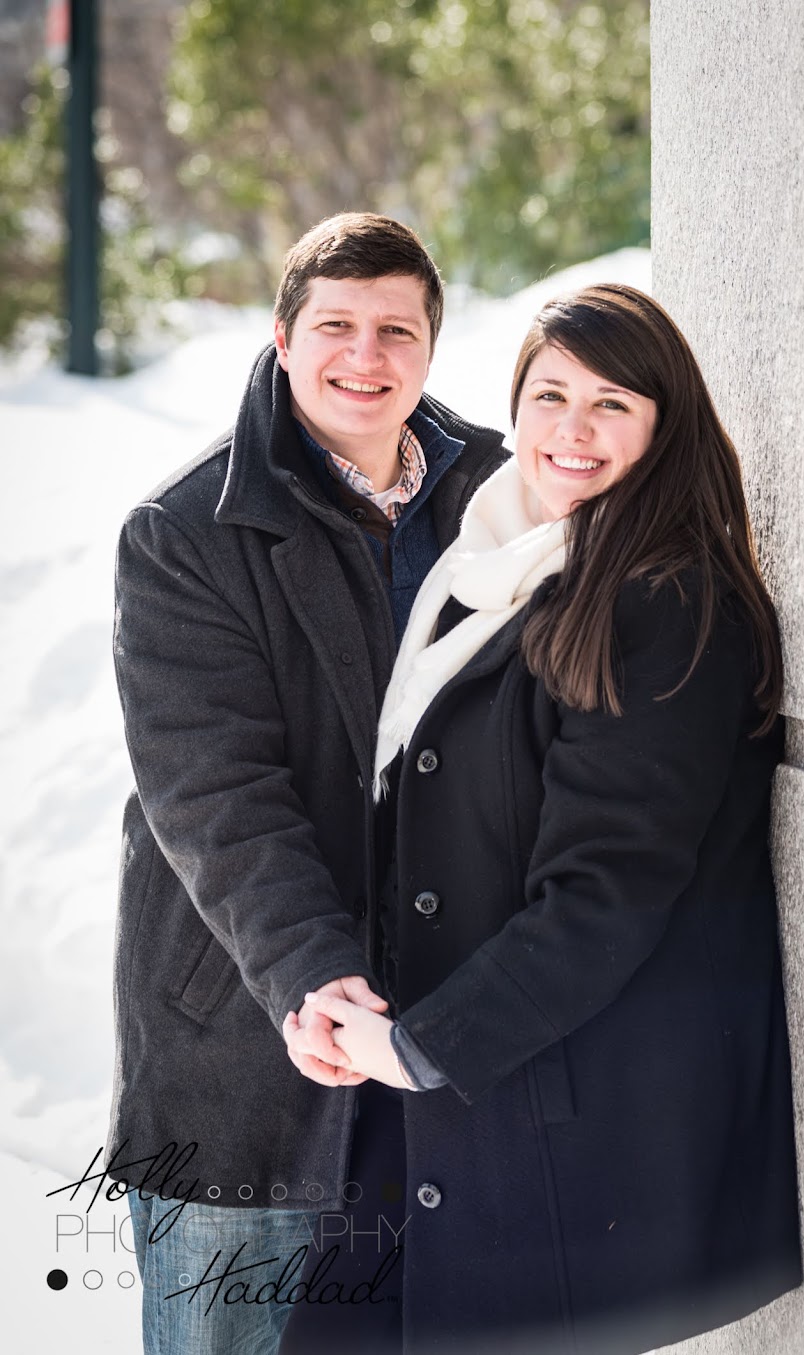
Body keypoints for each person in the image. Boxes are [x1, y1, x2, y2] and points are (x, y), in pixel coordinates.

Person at [283, 284, 803, 1354]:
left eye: (612, 403)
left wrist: (419, 1047)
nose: (573, 428)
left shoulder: (667, 602)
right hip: (437, 1107)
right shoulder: (496, 569)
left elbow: (607, 893)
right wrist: (340, 995)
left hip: (551, 1130)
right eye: (550, 395)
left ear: (665, 426)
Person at [108, 212, 508, 1355]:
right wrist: (313, 977)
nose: (365, 357)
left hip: (455, 1037)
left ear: (430, 346)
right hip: (257, 1032)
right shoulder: (185, 532)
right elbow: (216, 796)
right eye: (335, 326)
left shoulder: (504, 495)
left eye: (396, 330)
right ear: (283, 337)